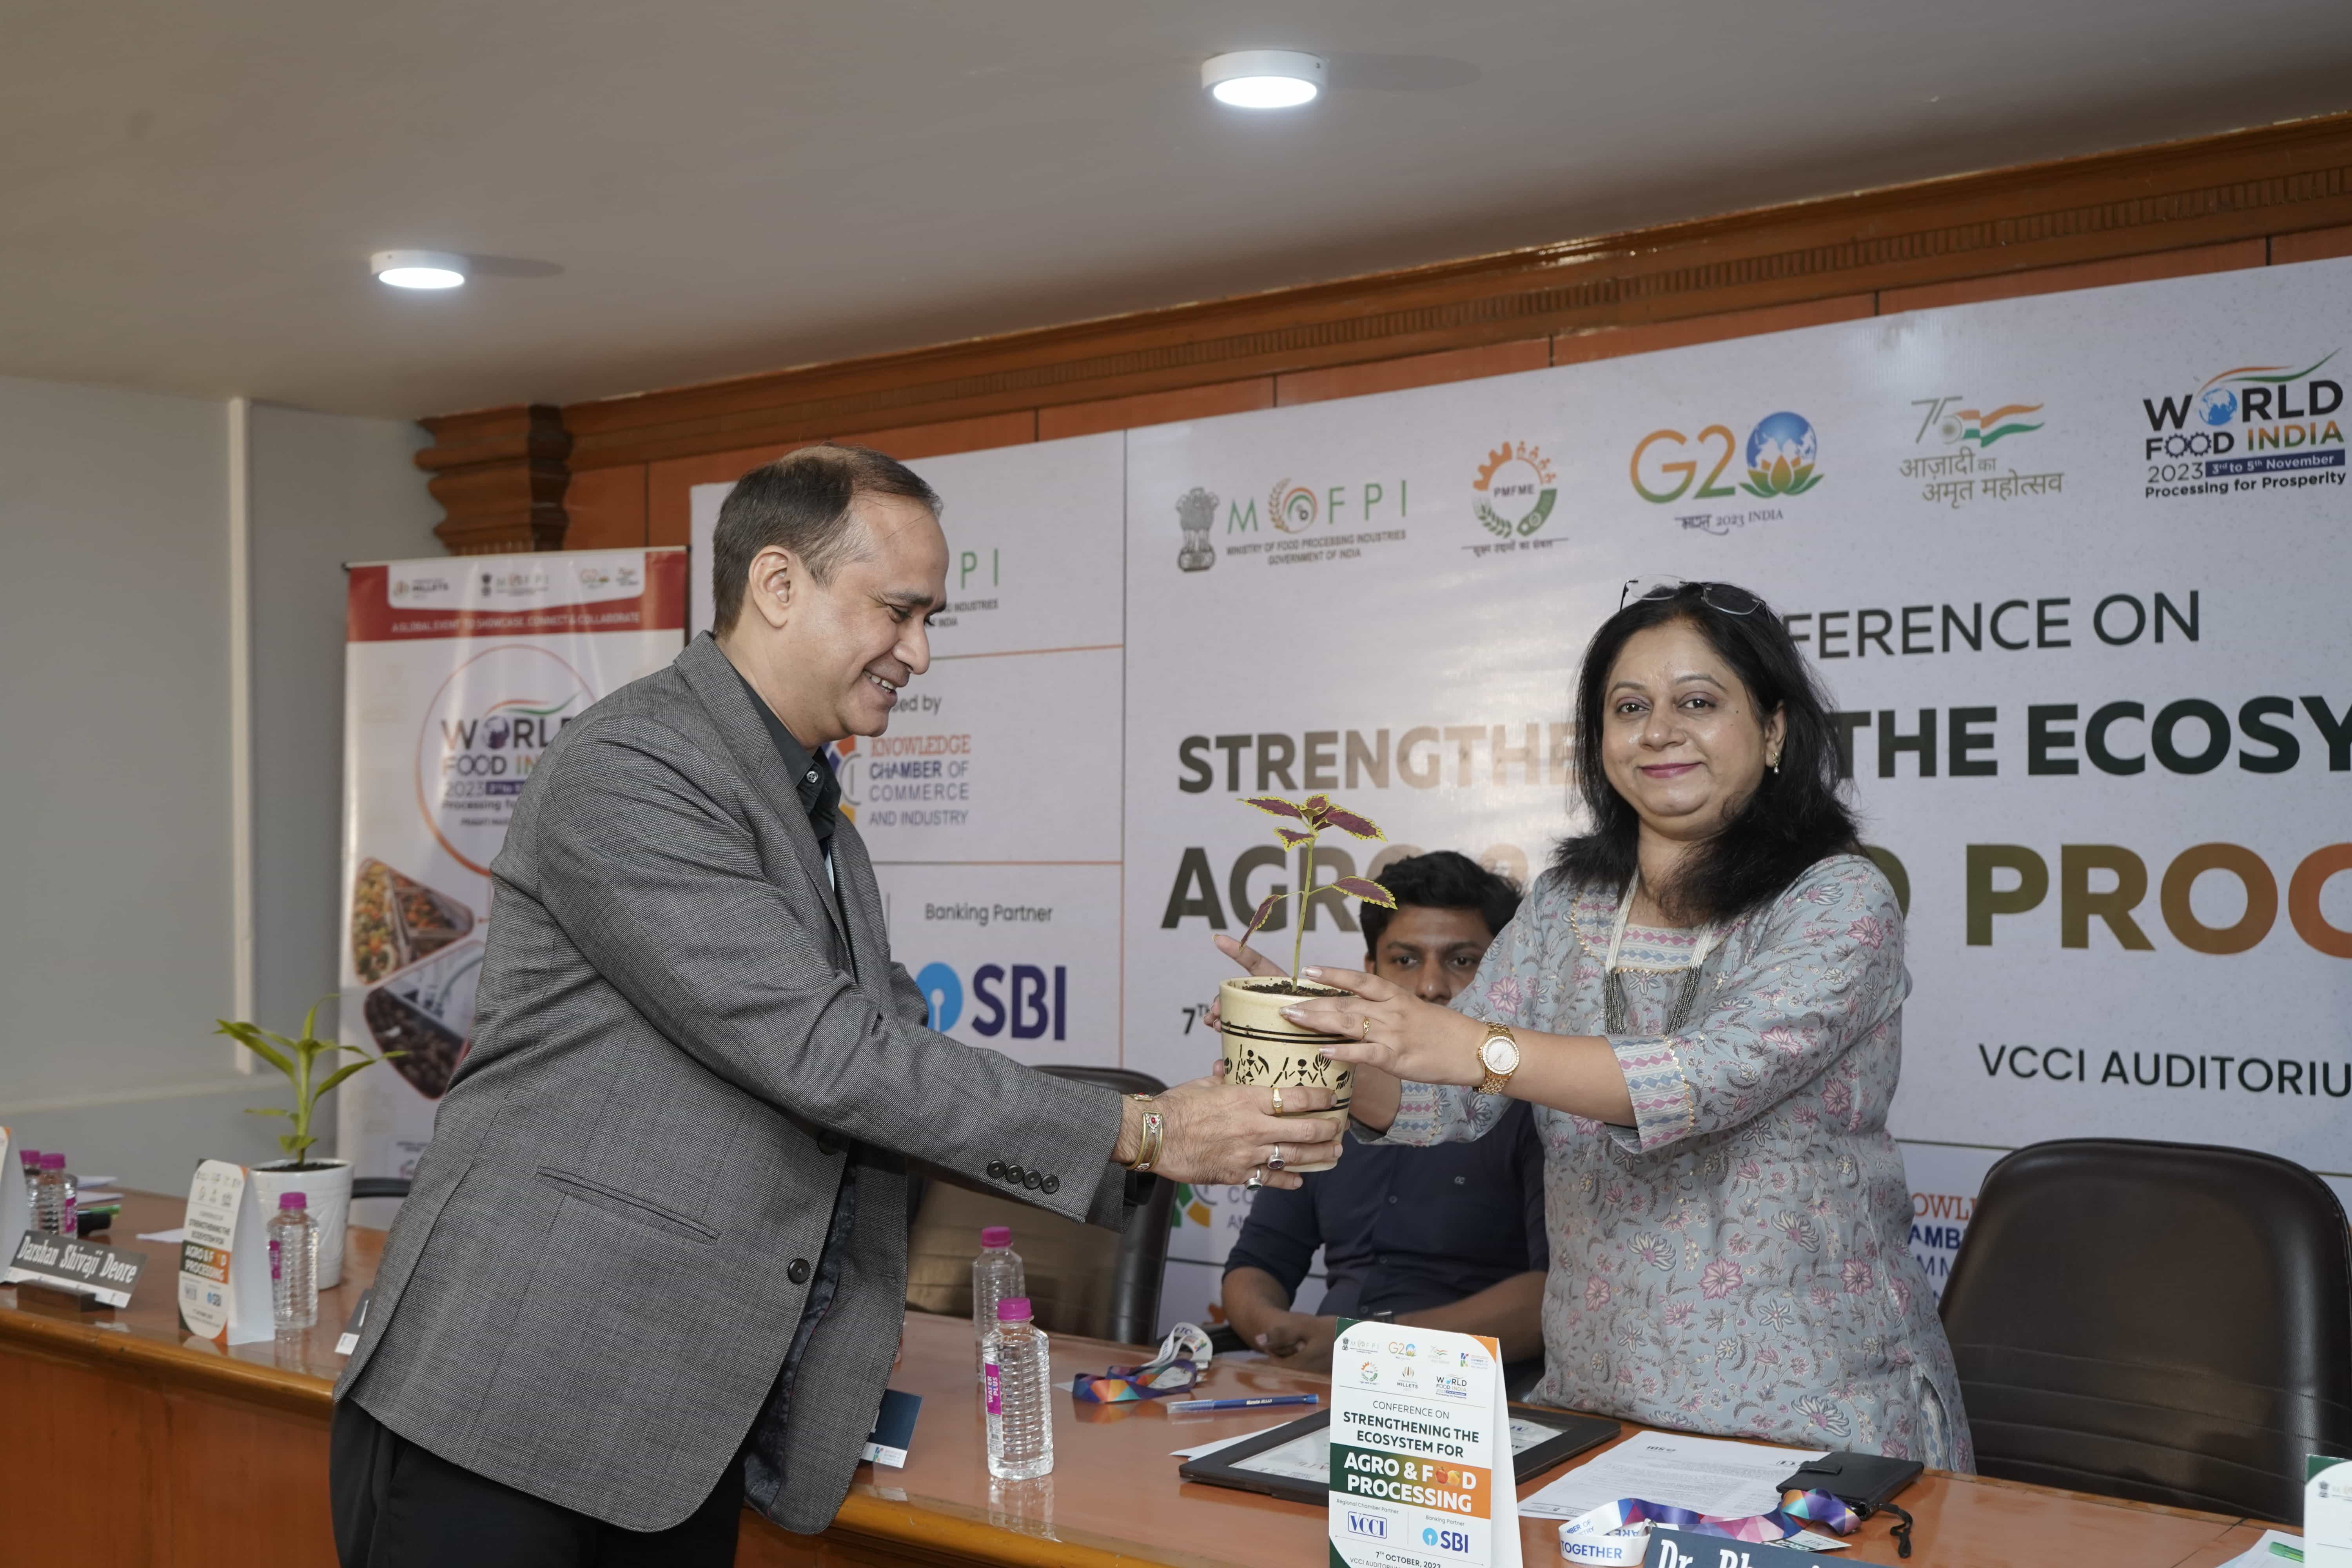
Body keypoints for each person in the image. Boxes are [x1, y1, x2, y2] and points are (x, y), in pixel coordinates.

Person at [328, 445, 1339, 1567]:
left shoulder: (813, 814)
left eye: (930, 618)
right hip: (512, 1399)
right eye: (898, 611)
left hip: (666, 1427)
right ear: (777, 584)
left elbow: (894, 1059)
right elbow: (824, 1053)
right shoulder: (633, 765)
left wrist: (1174, 1137)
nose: (920, 651)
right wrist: (1146, 1129)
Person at [1228, 579, 1971, 1467]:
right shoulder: (1565, 906)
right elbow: (1442, 1102)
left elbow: (1703, 1077)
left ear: (1774, 729)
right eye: (1630, 707)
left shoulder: (1839, 899)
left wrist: (1469, 1046)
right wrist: (1321, 1040)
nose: (1659, 731)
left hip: (1812, 1411)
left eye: (1698, 702)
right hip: (1596, 1400)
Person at [1218, 851, 1550, 1394]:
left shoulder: (1537, 1103)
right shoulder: (1327, 1092)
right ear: (1370, 972)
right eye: (1405, 960)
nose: (1431, 986)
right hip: (1321, 1390)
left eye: (1463, 960)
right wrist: (1275, 1332)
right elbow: (1258, 1262)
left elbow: (1551, 1297)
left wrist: (1367, 1344)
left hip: (1471, 1400)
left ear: (1503, 977)